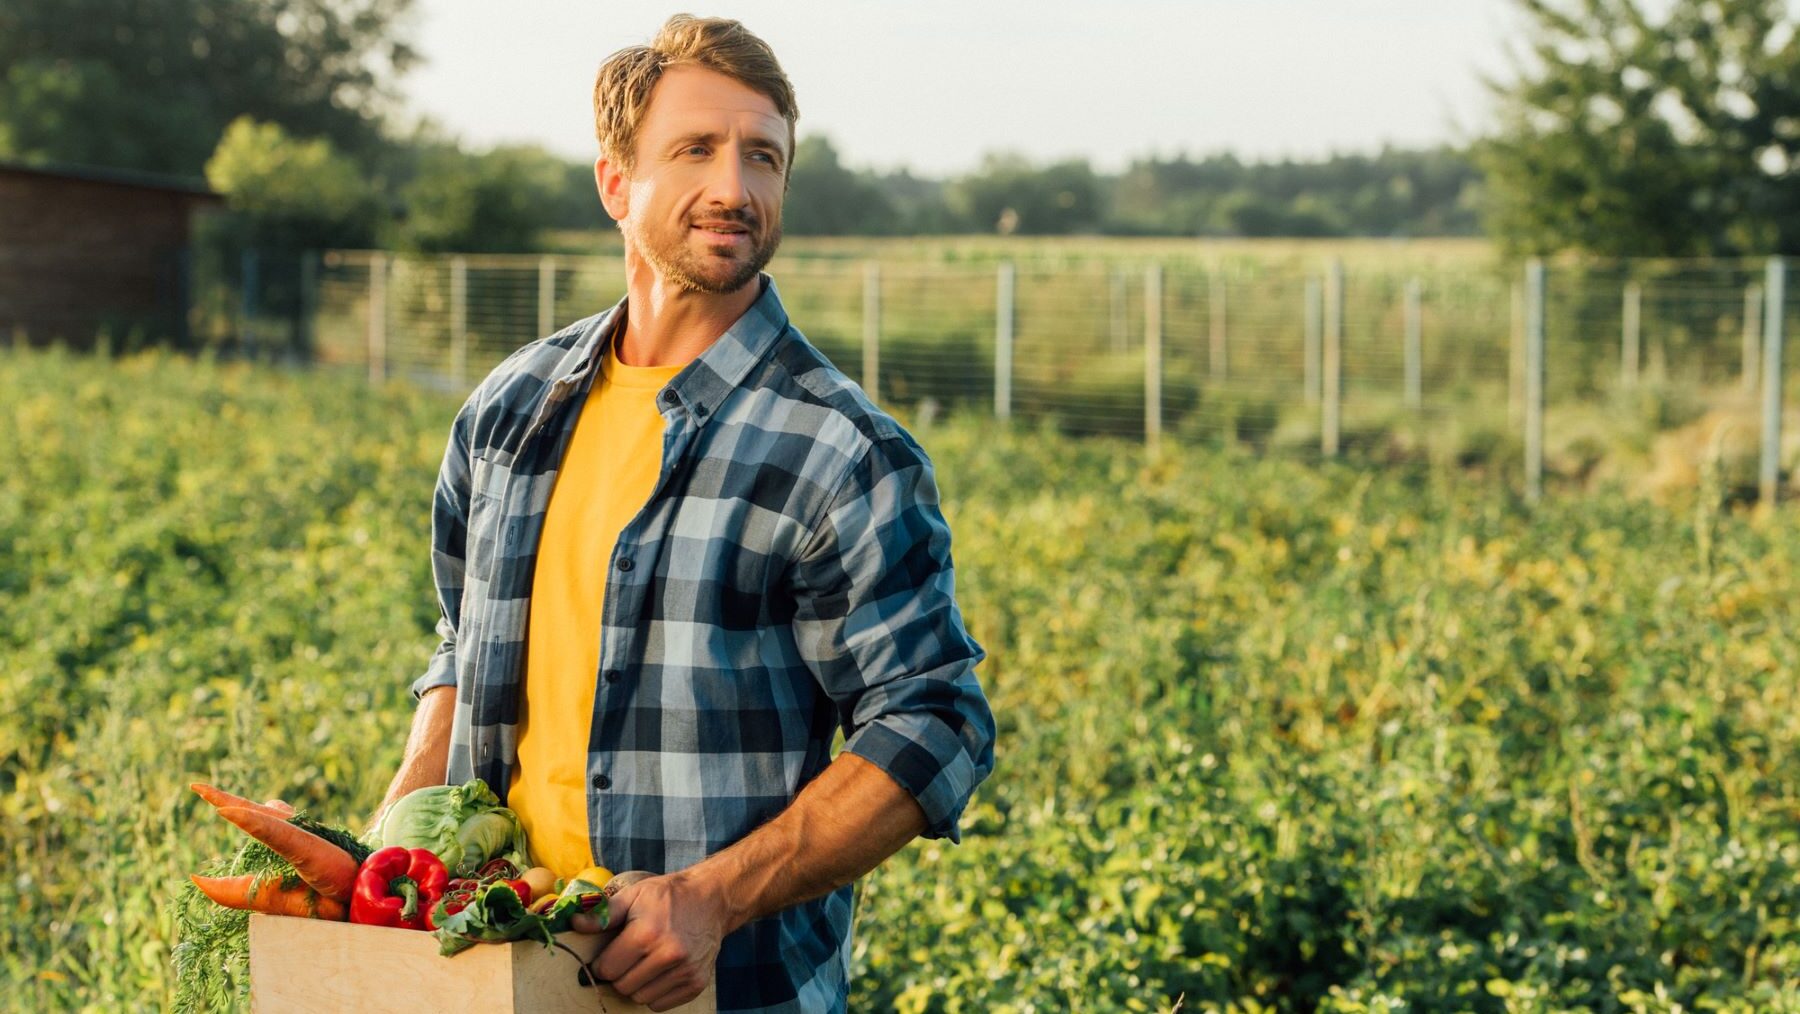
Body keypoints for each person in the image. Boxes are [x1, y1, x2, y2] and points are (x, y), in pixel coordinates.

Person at [372, 14, 996, 1013]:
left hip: (723, 990)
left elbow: (936, 722)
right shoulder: (508, 412)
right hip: (496, 970)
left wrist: (710, 900)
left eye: (764, 157)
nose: (736, 188)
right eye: (696, 149)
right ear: (616, 183)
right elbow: (463, 641)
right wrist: (409, 803)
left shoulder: (838, 448)